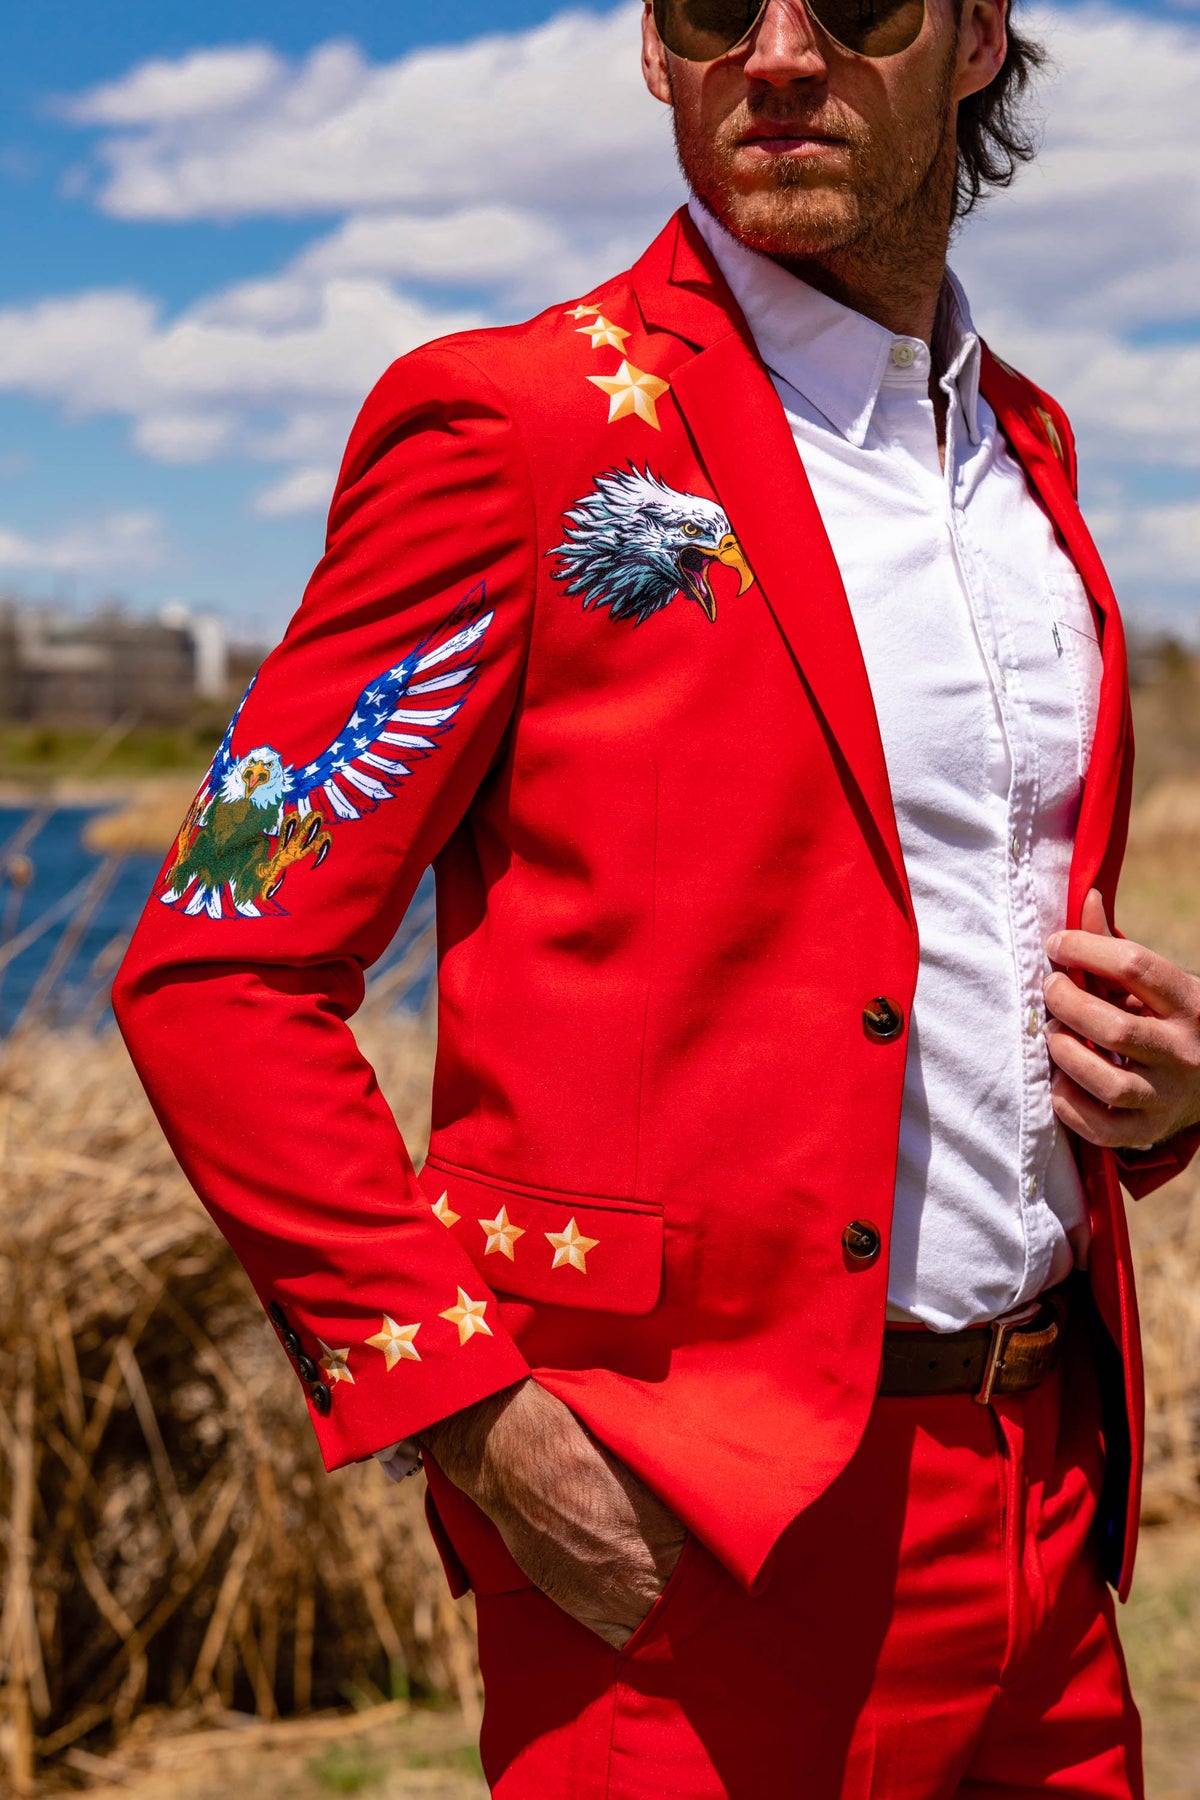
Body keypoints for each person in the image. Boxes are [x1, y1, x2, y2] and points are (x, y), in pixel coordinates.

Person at [114, 0, 1200, 1792]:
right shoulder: (513, 424)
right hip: (688, 1538)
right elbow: (216, 969)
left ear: (978, 37)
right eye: (710, 8)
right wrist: (470, 1418)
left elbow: (949, 931)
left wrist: (1156, 1092)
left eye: (856, 3)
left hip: (1047, 1502)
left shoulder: (1029, 451)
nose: (774, 53)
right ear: (652, 47)